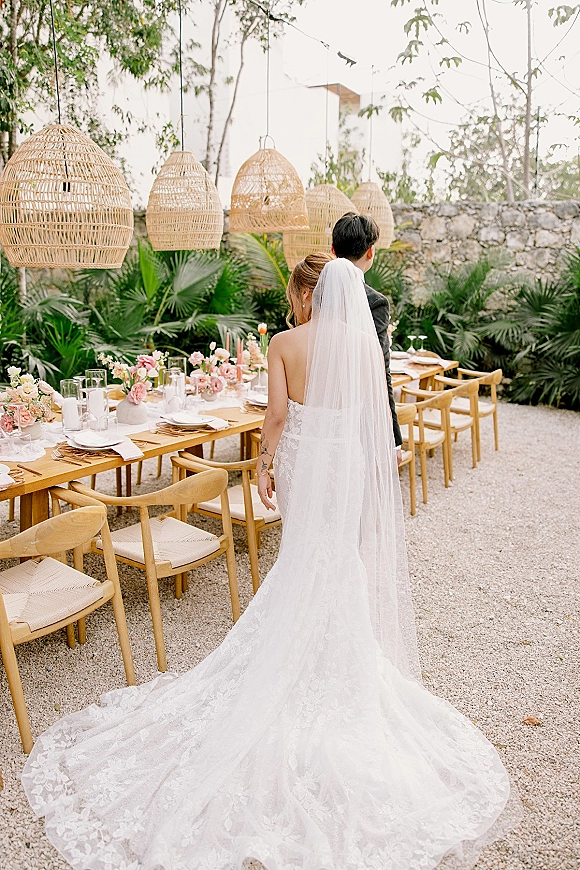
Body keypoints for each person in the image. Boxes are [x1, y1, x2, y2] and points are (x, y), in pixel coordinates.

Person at [23, 258, 521, 870]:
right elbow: (372, 414)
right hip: (344, 464)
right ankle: (336, 656)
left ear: (307, 293)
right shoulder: (365, 345)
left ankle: (296, 654)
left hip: (306, 461)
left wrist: (264, 467)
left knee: (303, 553)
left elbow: (277, 417)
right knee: (335, 556)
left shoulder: (286, 342)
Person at [332, 212, 403, 458]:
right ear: (371, 252)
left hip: (318, 415)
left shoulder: (312, 295)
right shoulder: (375, 302)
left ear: (333, 250)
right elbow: (381, 370)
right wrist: (393, 437)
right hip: (357, 418)